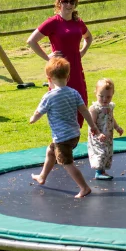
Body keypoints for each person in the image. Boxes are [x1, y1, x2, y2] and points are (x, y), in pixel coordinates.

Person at [29, 57, 104, 199]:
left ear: (49, 79)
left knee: (67, 163)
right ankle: (42, 176)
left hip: (62, 138)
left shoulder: (49, 96)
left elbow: (39, 112)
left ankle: (84, 187)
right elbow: (84, 110)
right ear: (68, 77)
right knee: (51, 151)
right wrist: (93, 126)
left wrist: (33, 119)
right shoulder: (74, 93)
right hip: (74, 135)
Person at [27, 0, 92, 127]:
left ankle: (71, 140)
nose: (68, 4)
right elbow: (31, 41)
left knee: (80, 103)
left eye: (71, 1)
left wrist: (82, 51)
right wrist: (48, 58)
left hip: (76, 69)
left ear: (75, 4)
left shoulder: (78, 22)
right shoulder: (53, 22)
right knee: (60, 105)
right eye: (65, 1)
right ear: (59, 3)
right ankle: (59, 141)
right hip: (59, 70)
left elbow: (88, 37)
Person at [88, 78, 123, 180]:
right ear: (96, 93)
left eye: (108, 96)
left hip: (107, 134)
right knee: (100, 152)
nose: (105, 99)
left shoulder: (110, 107)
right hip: (97, 135)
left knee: (107, 151)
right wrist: (98, 134)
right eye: (101, 96)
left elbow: (111, 118)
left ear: (112, 94)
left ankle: (102, 171)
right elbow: (92, 123)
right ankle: (98, 172)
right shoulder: (94, 108)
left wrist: (117, 127)